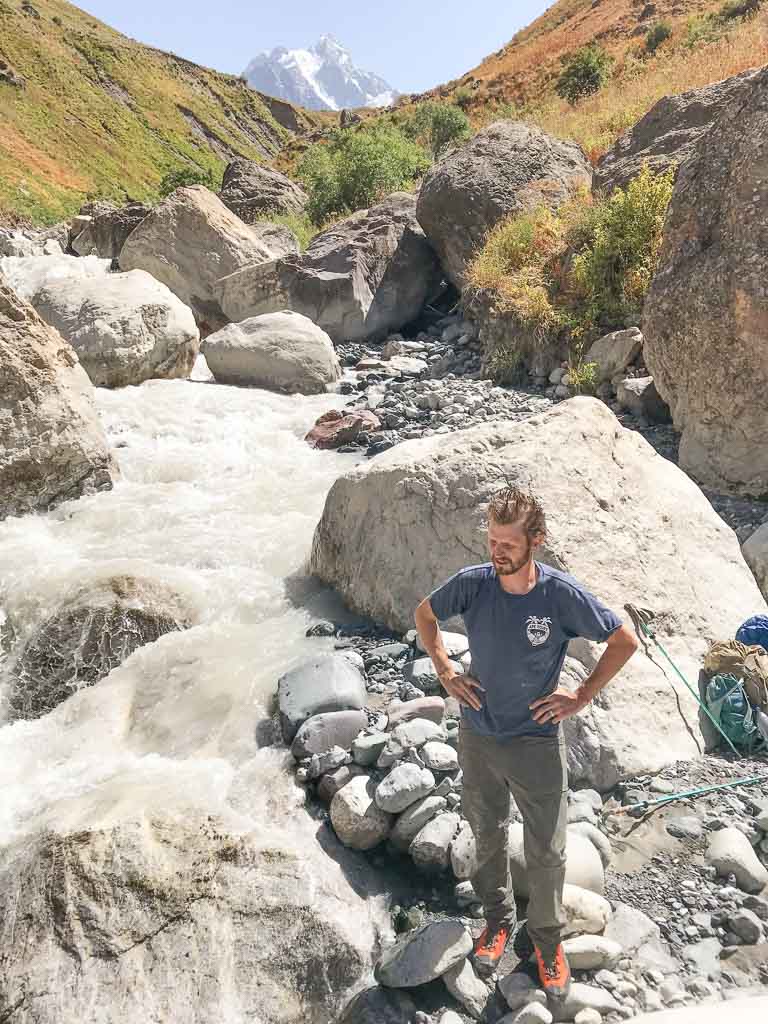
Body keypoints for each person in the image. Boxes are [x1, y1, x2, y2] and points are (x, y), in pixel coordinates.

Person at [414, 485, 638, 1000]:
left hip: (537, 743)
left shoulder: (559, 594)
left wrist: (580, 695)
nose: (498, 551)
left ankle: (547, 942)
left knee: (549, 852)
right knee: (486, 834)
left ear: (534, 540)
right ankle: (496, 921)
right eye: (492, 540)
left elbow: (623, 640)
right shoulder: (473, 585)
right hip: (478, 734)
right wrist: (446, 670)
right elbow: (425, 614)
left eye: (508, 543)